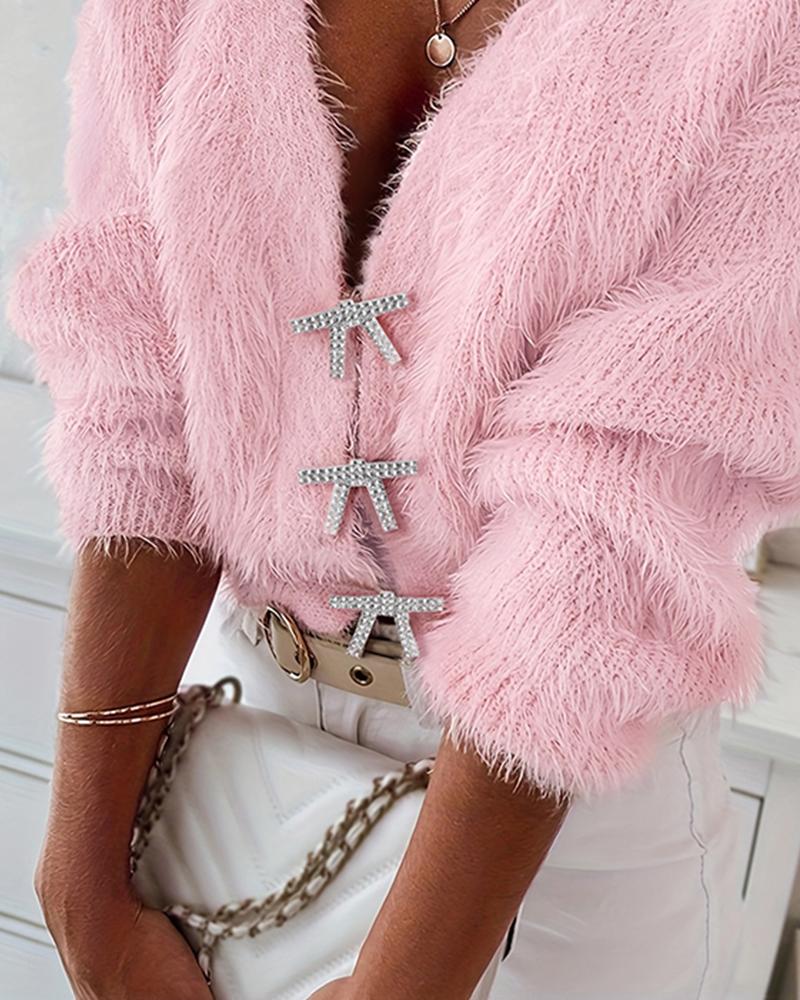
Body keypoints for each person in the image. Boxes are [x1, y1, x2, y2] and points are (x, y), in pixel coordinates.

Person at [6, 0, 800, 997]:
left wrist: (406, 982)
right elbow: (137, 375)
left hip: (543, 832)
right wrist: (80, 882)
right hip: (231, 760)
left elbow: (606, 529)